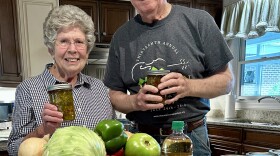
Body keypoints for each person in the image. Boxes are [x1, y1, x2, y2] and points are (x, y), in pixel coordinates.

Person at [103, 0, 234, 155]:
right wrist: (135, 101)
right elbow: (113, 95)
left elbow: (227, 81)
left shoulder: (200, 21)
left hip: (191, 138)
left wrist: (188, 86)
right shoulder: (121, 37)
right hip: (141, 140)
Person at [8, 5, 115, 155]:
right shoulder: (28, 88)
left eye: (79, 41)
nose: (72, 49)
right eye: (64, 41)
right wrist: (42, 130)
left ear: (88, 49)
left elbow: (113, 141)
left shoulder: (100, 88)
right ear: (51, 49)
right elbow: (13, 148)